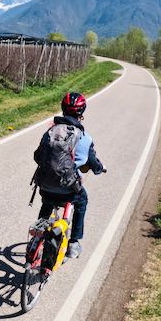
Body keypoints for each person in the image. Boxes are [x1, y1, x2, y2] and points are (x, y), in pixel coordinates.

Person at [32, 92, 106, 259]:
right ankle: (74, 242)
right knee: (82, 200)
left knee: (47, 202)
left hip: (45, 185)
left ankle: (37, 237)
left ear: (63, 109)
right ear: (82, 112)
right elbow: (94, 164)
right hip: (68, 189)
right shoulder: (84, 138)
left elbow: (37, 156)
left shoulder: (50, 132)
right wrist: (100, 169)